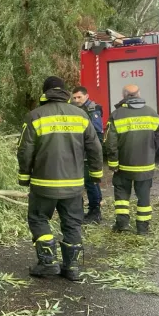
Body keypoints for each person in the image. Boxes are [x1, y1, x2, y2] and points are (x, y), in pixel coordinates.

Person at [17, 76, 104, 281]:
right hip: (73, 184)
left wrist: (24, 177)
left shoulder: (34, 116)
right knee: (72, 223)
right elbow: (95, 147)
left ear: (44, 93)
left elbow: (24, 151)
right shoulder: (81, 115)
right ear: (65, 93)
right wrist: (95, 174)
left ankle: (48, 263)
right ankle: (71, 267)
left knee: (39, 219)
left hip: (43, 183)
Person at [104, 84, 159, 235]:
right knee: (144, 197)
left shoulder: (117, 114)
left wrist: (113, 163)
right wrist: (150, 152)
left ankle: (122, 225)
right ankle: (143, 229)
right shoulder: (152, 113)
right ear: (139, 94)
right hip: (146, 165)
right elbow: (158, 137)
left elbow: (111, 142)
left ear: (124, 95)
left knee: (122, 195)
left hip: (124, 165)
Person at [71, 86, 104, 224]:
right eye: (74, 97)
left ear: (86, 96)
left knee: (90, 182)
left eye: (79, 97)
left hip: (87, 153)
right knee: (88, 182)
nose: (77, 100)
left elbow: (97, 134)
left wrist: (92, 153)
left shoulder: (91, 110)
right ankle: (93, 208)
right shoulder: (76, 109)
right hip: (79, 152)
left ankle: (95, 212)